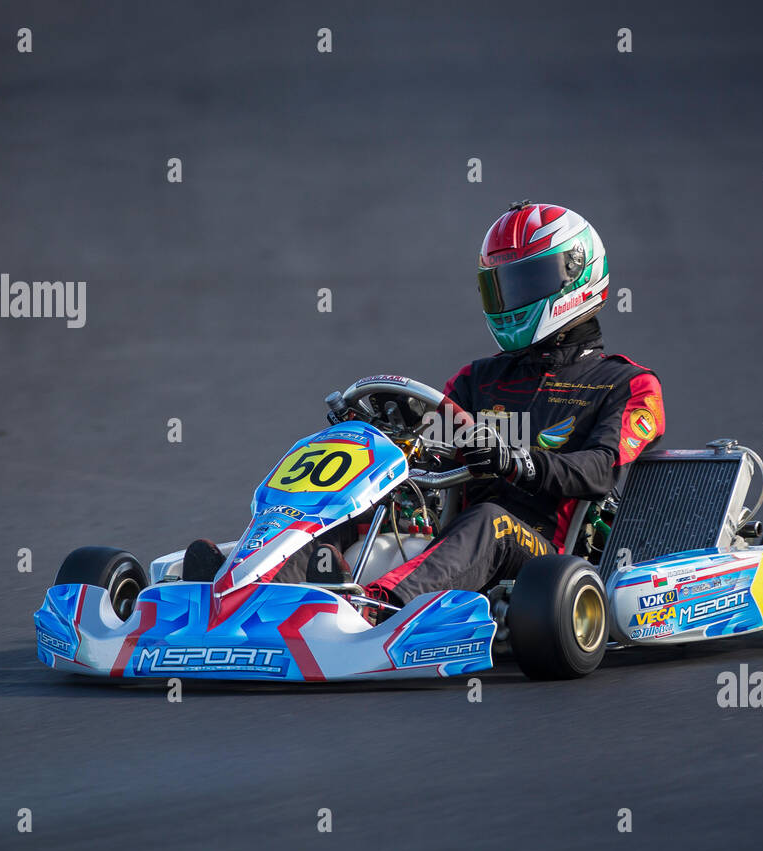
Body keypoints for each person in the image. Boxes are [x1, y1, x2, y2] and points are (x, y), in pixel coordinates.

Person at [183, 202, 665, 611]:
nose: (512, 299)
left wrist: (518, 463)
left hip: (545, 554)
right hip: (453, 534)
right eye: (503, 287)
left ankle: (376, 608)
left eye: (526, 282)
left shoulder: (627, 384)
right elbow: (431, 449)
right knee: (370, 497)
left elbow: (600, 470)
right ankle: (248, 586)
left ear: (576, 275)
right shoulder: (480, 378)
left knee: (489, 519)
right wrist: (376, 431)